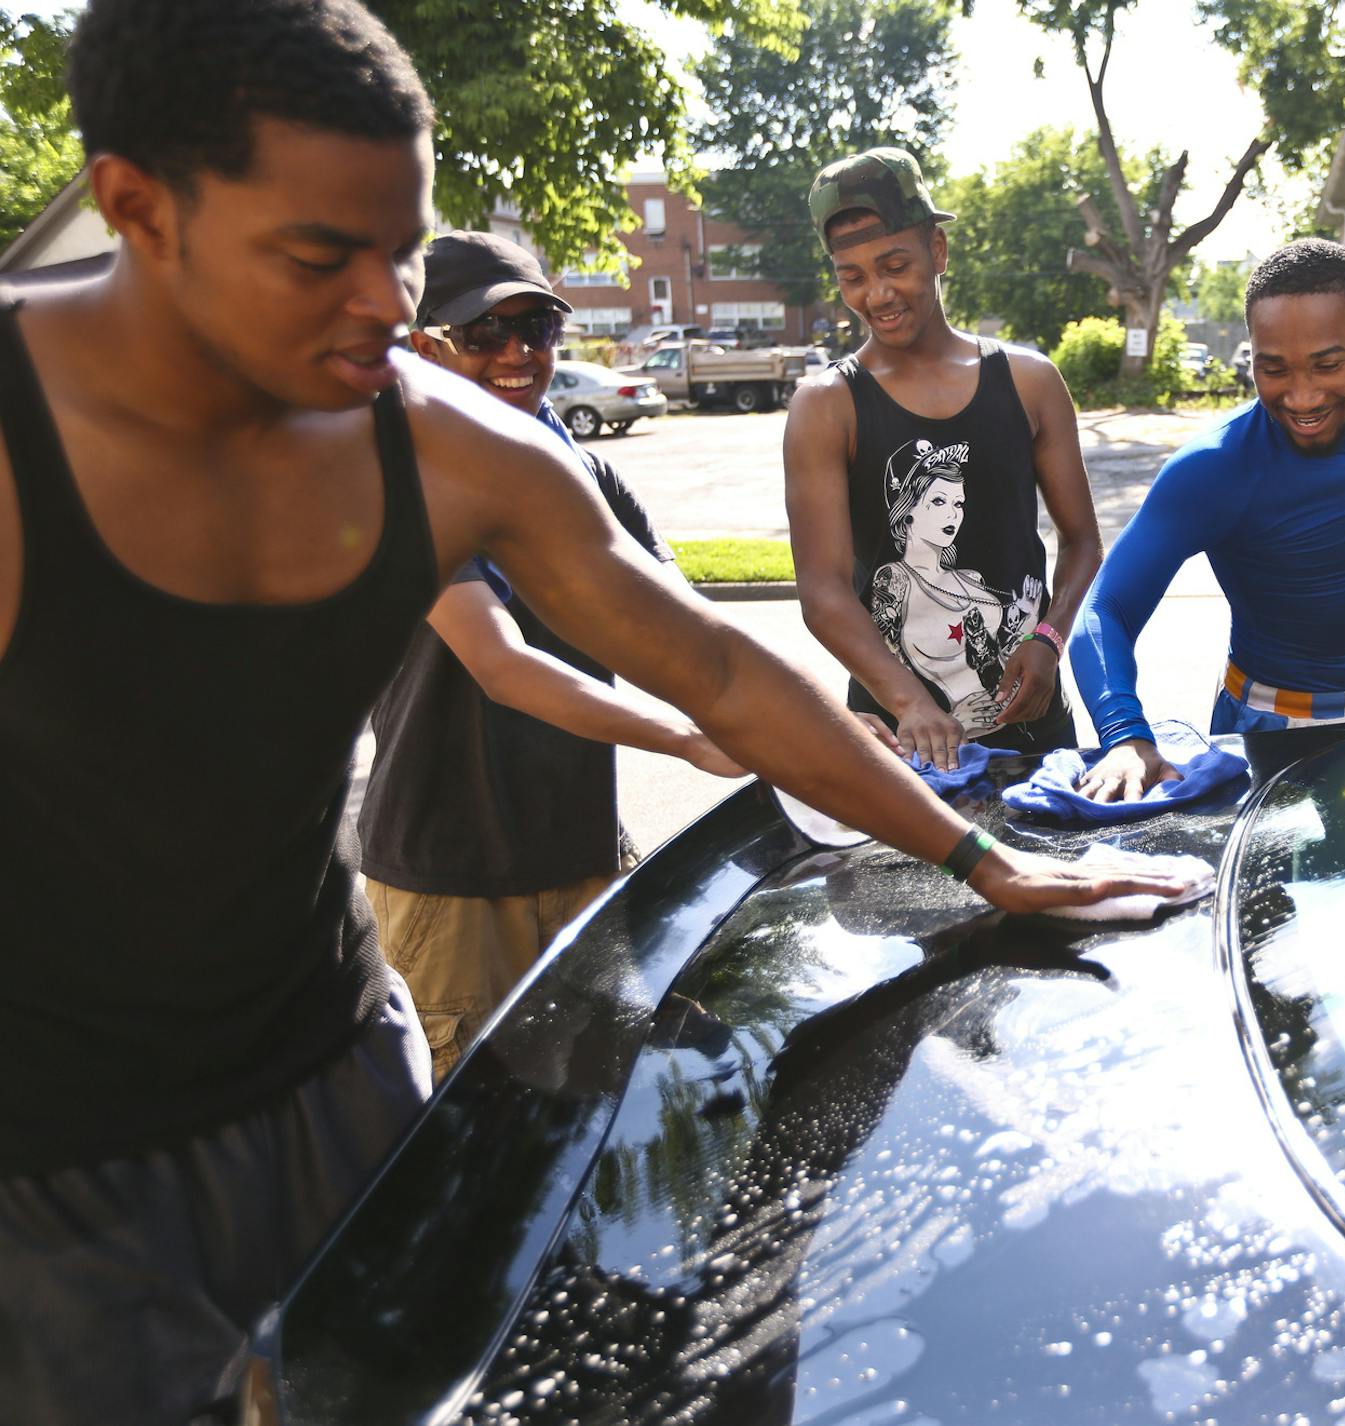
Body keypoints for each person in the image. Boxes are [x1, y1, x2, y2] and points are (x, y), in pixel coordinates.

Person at [0, 5, 1183, 1422]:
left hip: (337, 1071)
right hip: (63, 1148)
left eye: (401, 248)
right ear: (137, 208)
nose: (390, 308)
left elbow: (730, 676)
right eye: (324, 256)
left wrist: (981, 862)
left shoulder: (443, 447)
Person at [358, 230, 745, 1083]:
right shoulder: (402, 483)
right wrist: (685, 739)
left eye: (536, 330)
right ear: (422, 348)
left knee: (605, 1104)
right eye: (485, 334)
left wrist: (805, 728)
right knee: (467, 1140)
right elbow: (502, 665)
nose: (518, 354)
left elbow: (689, 638)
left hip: (584, 857)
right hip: (450, 880)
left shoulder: (595, 479)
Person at [1069, 238, 1345, 803]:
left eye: (1328, 364)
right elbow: (1104, 611)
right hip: (1271, 732)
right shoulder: (1213, 469)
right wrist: (1125, 735)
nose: (1302, 397)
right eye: (1273, 369)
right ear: (1251, 355)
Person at [784, 147, 1102, 772]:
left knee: (1051, 861)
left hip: (1031, 716)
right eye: (851, 276)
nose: (876, 293)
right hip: (894, 735)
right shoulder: (827, 406)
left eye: (894, 265)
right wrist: (910, 703)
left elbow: (1083, 542)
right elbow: (822, 593)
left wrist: (1048, 638)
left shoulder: (1030, 382)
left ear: (938, 251)